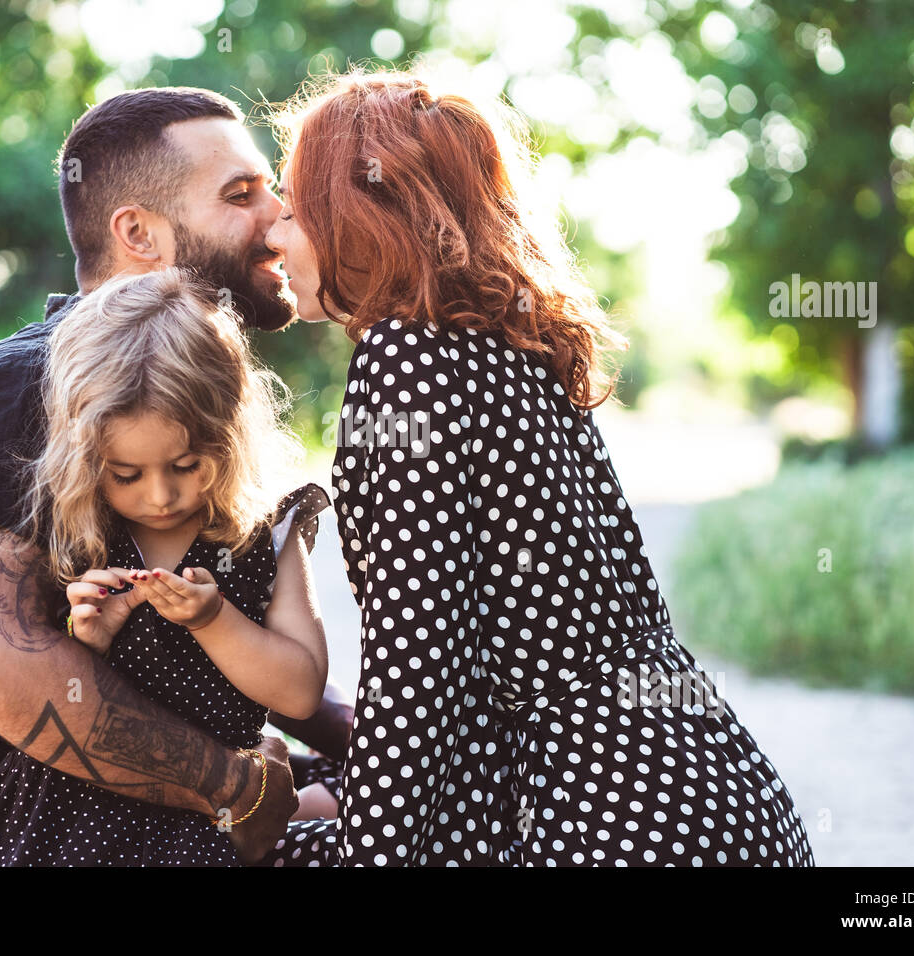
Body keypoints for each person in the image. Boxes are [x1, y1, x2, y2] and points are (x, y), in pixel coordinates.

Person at [260, 69, 817, 866]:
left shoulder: (406, 357)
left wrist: (360, 855)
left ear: (360, 211)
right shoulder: (514, 346)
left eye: (293, 204)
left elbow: (418, 671)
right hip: (712, 792)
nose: (276, 233)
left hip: (606, 817)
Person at [0, 87, 348, 866]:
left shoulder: (189, 407)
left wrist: (397, 744)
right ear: (137, 231)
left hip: (133, 812)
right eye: (241, 195)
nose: (279, 217)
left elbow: (248, 659)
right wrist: (241, 790)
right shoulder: (28, 384)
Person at [0, 269, 336, 865]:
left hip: (201, 823)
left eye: (186, 464)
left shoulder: (263, 534)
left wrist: (214, 620)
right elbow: (40, 685)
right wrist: (85, 642)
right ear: (87, 459)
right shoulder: (84, 529)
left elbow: (301, 691)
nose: (160, 496)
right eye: (127, 474)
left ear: (229, 437)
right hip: (65, 815)